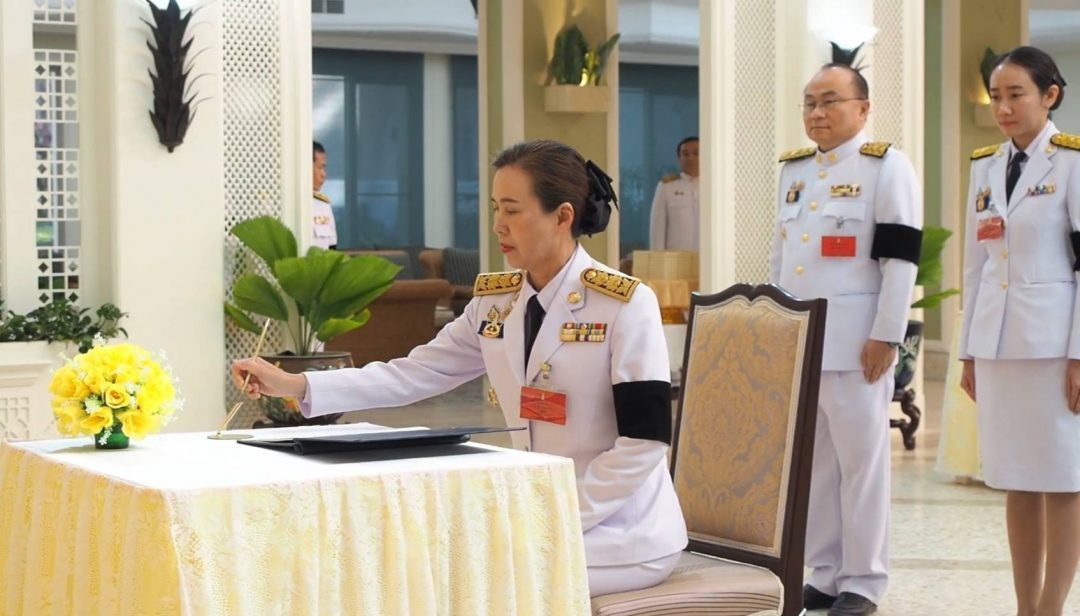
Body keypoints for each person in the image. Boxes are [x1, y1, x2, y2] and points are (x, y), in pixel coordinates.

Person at [233, 139, 688, 597]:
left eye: (512, 210)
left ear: (562, 216)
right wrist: (296, 383)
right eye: (495, 208)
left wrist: (559, 515)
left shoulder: (624, 304)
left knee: (470, 580)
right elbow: (412, 374)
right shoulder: (496, 302)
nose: (498, 225)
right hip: (538, 517)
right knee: (420, 562)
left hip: (622, 530)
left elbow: (644, 443)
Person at [768, 63, 922, 616]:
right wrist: (780, 330)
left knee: (863, 464)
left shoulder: (886, 167)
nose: (817, 112)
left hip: (860, 346)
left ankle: (865, 580)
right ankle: (829, 573)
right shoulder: (794, 171)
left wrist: (887, 335)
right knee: (817, 466)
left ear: (863, 108)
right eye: (810, 102)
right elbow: (782, 261)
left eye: (830, 101)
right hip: (806, 343)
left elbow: (900, 260)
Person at [958, 46, 1080, 616]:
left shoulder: (1073, 162)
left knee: (1063, 477)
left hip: (1054, 347)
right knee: (1017, 479)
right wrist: (968, 352)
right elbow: (975, 266)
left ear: (1049, 95)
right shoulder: (984, 165)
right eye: (996, 97)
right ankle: (1024, 606)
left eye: (1016, 95)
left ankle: (1051, 607)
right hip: (998, 346)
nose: (1003, 108)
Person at [649, 136, 700, 251]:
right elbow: (657, 229)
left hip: (710, 257)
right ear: (679, 158)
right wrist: (658, 257)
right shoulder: (667, 187)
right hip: (676, 258)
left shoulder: (714, 188)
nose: (690, 158)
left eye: (696, 153)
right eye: (685, 154)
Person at [312, 141, 338, 250]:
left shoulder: (324, 206)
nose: (324, 174)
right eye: (320, 168)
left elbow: (332, 247)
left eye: (324, 168)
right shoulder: (285, 205)